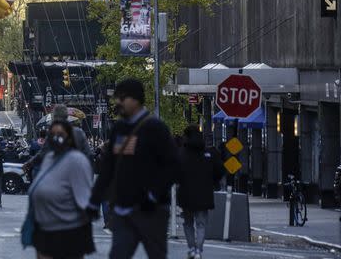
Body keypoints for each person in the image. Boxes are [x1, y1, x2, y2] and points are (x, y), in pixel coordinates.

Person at [87, 78, 178, 259]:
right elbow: (108, 169)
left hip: (152, 211)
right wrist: (93, 202)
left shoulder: (155, 128)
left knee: (156, 254)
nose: (117, 103)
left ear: (135, 100)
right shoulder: (118, 129)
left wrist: (153, 196)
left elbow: (172, 166)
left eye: (122, 98)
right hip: (123, 210)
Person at [28, 119, 95, 258]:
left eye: (61, 134)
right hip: (45, 227)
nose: (57, 137)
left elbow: (84, 198)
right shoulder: (49, 158)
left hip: (67, 230)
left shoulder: (77, 160)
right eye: (53, 134)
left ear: (69, 138)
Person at [177, 125, 225, 259]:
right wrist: (212, 181)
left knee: (188, 222)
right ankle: (198, 250)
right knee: (201, 223)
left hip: (186, 193)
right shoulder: (209, 153)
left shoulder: (182, 153)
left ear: (186, 136)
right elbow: (220, 171)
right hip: (205, 193)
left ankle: (192, 248)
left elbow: (174, 171)